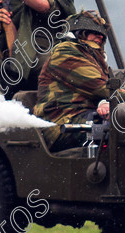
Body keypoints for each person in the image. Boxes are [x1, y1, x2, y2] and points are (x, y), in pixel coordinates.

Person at [33, 11, 113, 151]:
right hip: (60, 124)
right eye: (94, 32)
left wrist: (105, 103)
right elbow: (102, 88)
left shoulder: (92, 57)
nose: (100, 37)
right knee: (121, 128)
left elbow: (104, 92)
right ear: (80, 33)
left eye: (102, 35)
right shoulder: (66, 52)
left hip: (81, 116)